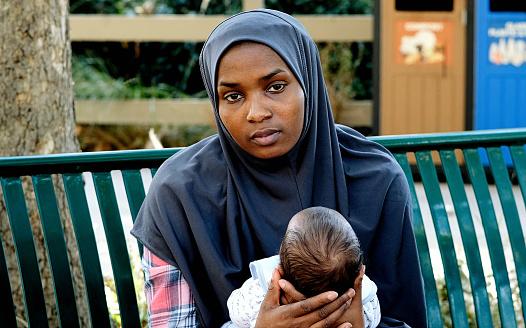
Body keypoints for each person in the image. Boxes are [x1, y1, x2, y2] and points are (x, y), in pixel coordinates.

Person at [131, 8, 426, 328]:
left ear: (307, 81)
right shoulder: (180, 194)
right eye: (232, 95)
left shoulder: (375, 179)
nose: (256, 113)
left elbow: (404, 315)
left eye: (275, 86)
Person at [226, 207, 381, 328]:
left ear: (282, 264)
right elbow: (375, 319)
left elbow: (236, 313)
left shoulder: (261, 292)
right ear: (358, 270)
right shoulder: (362, 298)